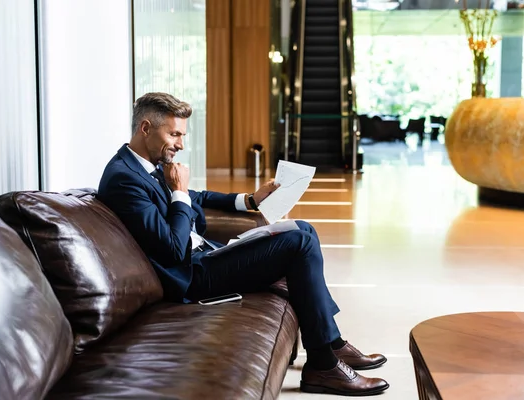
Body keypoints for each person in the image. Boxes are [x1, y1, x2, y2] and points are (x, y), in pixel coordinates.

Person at [97, 92, 390, 396]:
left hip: (206, 256)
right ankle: (323, 364)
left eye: (182, 135)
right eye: (174, 134)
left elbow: (196, 197)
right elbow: (172, 248)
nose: (181, 144)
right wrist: (179, 192)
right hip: (191, 276)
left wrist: (249, 199)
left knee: (302, 229)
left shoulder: (146, 164)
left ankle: (332, 344)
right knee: (299, 241)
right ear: (145, 128)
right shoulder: (124, 179)